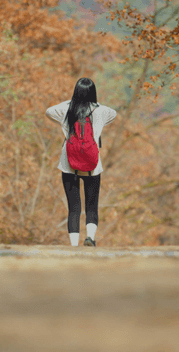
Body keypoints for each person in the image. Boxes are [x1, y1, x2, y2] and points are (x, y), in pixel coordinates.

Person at [45, 78, 117, 247]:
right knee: (92, 205)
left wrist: (72, 101)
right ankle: (90, 238)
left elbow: (49, 111)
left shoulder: (66, 109)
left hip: (68, 164)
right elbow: (113, 113)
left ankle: (74, 246)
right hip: (93, 165)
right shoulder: (100, 111)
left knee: (73, 207)